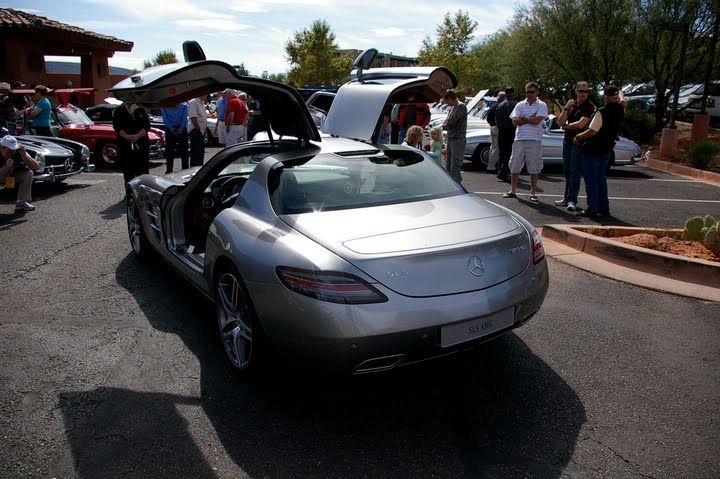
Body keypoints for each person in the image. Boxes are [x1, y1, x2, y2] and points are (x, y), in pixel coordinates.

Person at [573, 85, 626, 218]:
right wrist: (620, 95)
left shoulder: (602, 111)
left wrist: (579, 137)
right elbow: (623, 100)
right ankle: (603, 207)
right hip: (606, 148)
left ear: (606, 97)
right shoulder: (620, 109)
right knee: (601, 179)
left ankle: (593, 208)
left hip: (593, 149)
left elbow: (592, 130)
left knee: (591, 181)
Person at [502, 82, 548, 202]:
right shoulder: (520, 105)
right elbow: (514, 121)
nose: (529, 94)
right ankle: (513, 190)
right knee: (515, 164)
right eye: (527, 92)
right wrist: (529, 118)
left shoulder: (542, 105)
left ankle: (533, 192)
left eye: (532, 92)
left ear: (537, 92)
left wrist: (525, 118)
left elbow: (537, 121)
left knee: (534, 166)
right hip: (520, 138)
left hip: (534, 139)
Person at [555, 81, 596, 212]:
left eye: (586, 91)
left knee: (574, 171)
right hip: (567, 141)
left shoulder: (588, 106)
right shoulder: (572, 105)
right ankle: (566, 197)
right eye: (581, 91)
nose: (583, 94)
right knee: (567, 170)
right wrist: (566, 108)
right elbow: (560, 121)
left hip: (578, 142)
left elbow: (581, 124)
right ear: (576, 91)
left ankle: (572, 199)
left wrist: (566, 126)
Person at [113, 101, 151, 184]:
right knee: (128, 172)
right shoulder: (118, 110)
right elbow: (117, 127)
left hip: (141, 144)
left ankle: (143, 194)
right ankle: (130, 194)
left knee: (142, 172)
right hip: (125, 145)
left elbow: (147, 125)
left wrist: (137, 136)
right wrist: (126, 136)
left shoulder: (140, 109)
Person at [0, 135, 40, 212]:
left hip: (11, 175)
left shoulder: (19, 150)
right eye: (9, 150)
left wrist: (25, 156)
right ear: (2, 147)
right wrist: (6, 167)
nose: (11, 153)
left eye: (13, 150)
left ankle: (21, 203)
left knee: (28, 173)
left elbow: (36, 167)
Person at [441, 89, 467, 182]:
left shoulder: (461, 107)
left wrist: (446, 126)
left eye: (447, 101)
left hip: (458, 139)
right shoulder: (451, 108)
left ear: (451, 98)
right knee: (448, 163)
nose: (446, 103)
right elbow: (446, 122)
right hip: (451, 138)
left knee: (455, 165)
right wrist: (445, 126)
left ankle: (457, 184)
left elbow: (452, 122)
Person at [495, 87, 517, 181]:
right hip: (512, 131)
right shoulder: (516, 105)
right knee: (509, 152)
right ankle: (504, 172)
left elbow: (496, 120)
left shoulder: (500, 105)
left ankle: (500, 170)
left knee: (502, 152)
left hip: (501, 131)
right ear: (513, 94)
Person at [161, 102, 189, 173]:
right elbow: (165, 120)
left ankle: (184, 169)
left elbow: (184, 118)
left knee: (183, 151)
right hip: (172, 129)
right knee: (170, 151)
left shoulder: (184, 105)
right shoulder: (164, 106)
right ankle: (170, 169)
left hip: (178, 129)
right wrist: (173, 129)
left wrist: (179, 129)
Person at [485, 91, 506, 173]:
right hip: (498, 128)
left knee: (492, 147)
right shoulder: (502, 106)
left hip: (492, 127)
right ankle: (491, 167)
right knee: (496, 148)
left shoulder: (493, 106)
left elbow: (488, 118)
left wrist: (492, 124)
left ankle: (490, 165)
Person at [187, 94, 208, 167]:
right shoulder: (194, 102)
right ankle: (194, 169)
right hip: (196, 130)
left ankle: (199, 168)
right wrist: (198, 128)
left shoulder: (201, 103)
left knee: (200, 152)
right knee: (196, 152)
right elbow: (193, 117)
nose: (207, 95)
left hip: (201, 131)